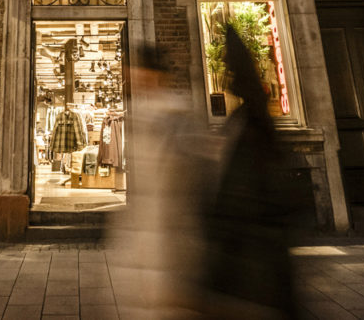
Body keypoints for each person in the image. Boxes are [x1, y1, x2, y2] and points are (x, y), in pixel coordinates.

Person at [200, 23, 297, 320]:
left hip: (250, 268)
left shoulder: (249, 125)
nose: (226, 73)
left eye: (230, 66)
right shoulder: (246, 120)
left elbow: (242, 198)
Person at [106, 43, 206, 318]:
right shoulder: (143, 115)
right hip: (148, 242)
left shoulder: (176, 118)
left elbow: (190, 185)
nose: (129, 80)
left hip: (173, 241)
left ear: (150, 74)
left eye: (133, 72)